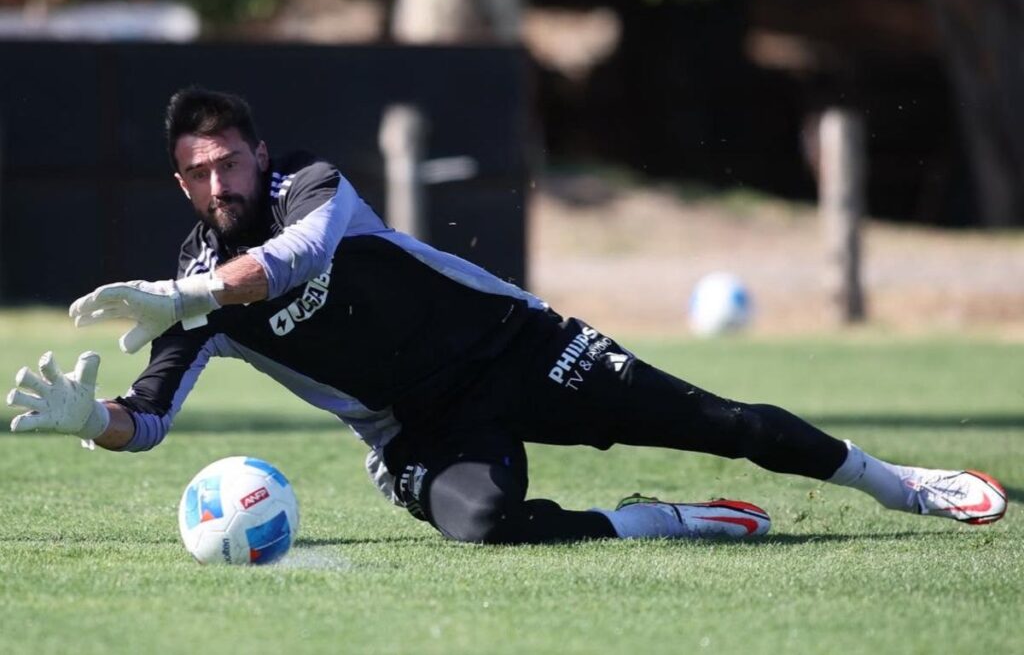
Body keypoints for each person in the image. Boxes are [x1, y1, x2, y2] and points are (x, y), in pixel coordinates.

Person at [6, 87, 1007, 544]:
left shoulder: (313, 187)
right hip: (421, 427)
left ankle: (898, 483)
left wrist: (185, 294)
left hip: (518, 347)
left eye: (231, 159)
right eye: (199, 169)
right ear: (180, 182)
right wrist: (88, 422)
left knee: (721, 422)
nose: (219, 178)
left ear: (259, 155)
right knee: (483, 525)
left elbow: (294, 261)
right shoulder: (183, 281)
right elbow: (150, 419)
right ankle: (652, 522)